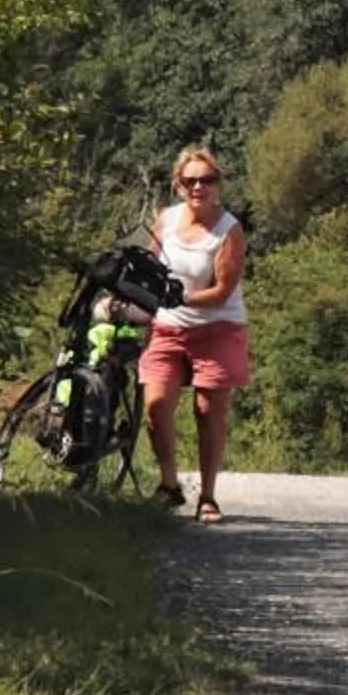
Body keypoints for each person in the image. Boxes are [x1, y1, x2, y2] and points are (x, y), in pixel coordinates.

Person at [142, 145, 248, 523]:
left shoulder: (228, 230)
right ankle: (169, 485)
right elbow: (150, 271)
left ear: (218, 185)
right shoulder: (166, 221)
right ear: (178, 185)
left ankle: (208, 495)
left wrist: (181, 296)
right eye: (190, 181)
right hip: (168, 328)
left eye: (207, 180)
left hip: (217, 328)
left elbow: (222, 290)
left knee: (208, 411)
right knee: (155, 406)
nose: (198, 187)